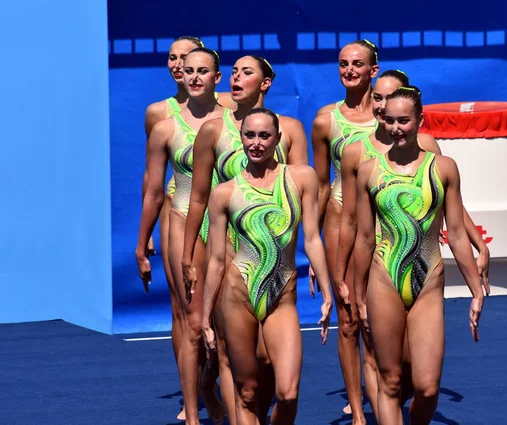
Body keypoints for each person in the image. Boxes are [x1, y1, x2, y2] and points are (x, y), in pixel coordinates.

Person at [334, 73, 491, 418]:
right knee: (390, 382)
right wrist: (357, 295)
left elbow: (457, 234)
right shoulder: (368, 171)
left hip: (429, 284)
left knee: (427, 387)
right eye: (389, 120)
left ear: (420, 120)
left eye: (403, 120)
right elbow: (363, 237)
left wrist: (475, 289)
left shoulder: (444, 168)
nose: (395, 127)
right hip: (382, 281)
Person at [181, 55, 308, 424]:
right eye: (233, 72)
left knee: (268, 362)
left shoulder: (293, 131)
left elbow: (298, 198)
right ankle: (218, 397)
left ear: (266, 83)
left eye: (246, 73)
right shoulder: (213, 130)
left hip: (275, 269)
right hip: (227, 259)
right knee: (228, 355)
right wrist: (190, 256)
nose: (236, 79)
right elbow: (200, 198)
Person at [197, 108, 333, 425]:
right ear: (240, 138)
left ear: (278, 138)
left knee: (288, 393)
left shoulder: (302, 178)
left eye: (264, 135)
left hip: (282, 300)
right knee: (247, 393)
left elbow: (312, 239)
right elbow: (217, 259)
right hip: (237, 299)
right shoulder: (224, 193)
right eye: (249, 135)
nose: (256, 143)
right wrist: (205, 316)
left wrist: (327, 293)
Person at [140, 36, 236, 421]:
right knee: (189, 317)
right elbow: (152, 185)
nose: (182, 68)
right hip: (181, 217)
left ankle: (208, 383)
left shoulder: (233, 109)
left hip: (227, 221)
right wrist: (142, 239)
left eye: (193, 63)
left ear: (214, 73)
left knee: (226, 316)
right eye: (175, 60)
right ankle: (193, 400)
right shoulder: (160, 118)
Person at [310, 39, 380, 425]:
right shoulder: (325, 120)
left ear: (373, 70)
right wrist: (315, 248)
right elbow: (321, 186)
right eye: (342, 63)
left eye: (357, 64)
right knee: (350, 319)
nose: (349, 69)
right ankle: (357, 409)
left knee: (386, 320)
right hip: (341, 227)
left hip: (388, 227)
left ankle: (384, 388)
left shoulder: (391, 114)